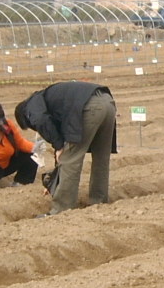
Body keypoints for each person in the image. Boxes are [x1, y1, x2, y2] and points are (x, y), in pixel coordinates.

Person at [15, 81, 117, 216]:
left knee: (71, 159)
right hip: (108, 102)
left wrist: (58, 147)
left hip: (89, 107)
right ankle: (98, 201)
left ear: (25, 116)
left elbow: (41, 120)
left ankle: (62, 208)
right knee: (101, 158)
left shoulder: (31, 106)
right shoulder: (49, 100)